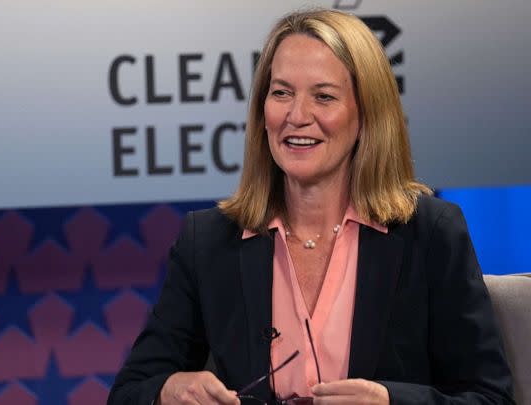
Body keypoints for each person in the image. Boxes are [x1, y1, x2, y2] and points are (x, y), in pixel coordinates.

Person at [107, 8, 514, 405]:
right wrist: (168, 391)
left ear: (366, 115)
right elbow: (129, 391)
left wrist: (392, 401)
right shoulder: (207, 241)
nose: (297, 116)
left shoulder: (430, 233)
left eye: (324, 96)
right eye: (281, 92)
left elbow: (490, 396)